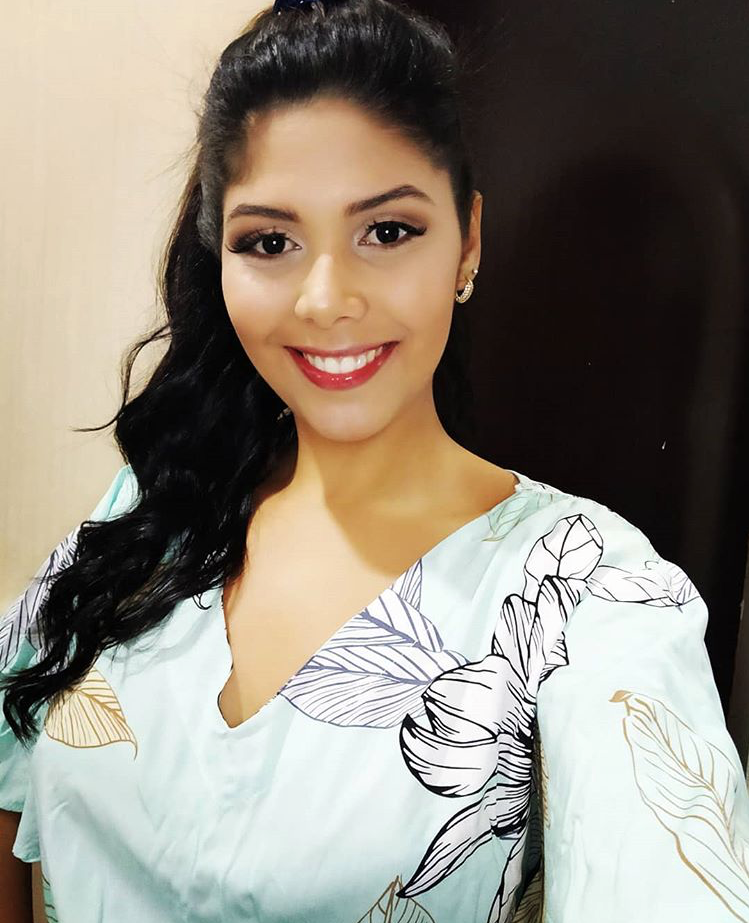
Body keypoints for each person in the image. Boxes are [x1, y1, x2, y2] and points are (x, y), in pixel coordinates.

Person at [2, 0, 748, 920]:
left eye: (386, 231)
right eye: (270, 242)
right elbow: (14, 770)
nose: (325, 299)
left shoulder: (587, 591)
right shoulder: (151, 512)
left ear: (467, 240)